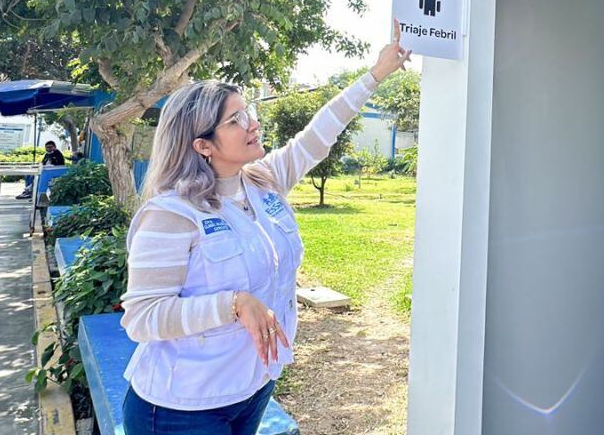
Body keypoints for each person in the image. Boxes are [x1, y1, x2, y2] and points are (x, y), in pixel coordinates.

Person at [118, 21, 412, 434]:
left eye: (248, 112)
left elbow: (318, 136)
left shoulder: (262, 181)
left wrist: (375, 74)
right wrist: (234, 304)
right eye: (235, 121)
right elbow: (143, 318)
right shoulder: (171, 214)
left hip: (252, 386)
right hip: (181, 407)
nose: (252, 124)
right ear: (202, 146)